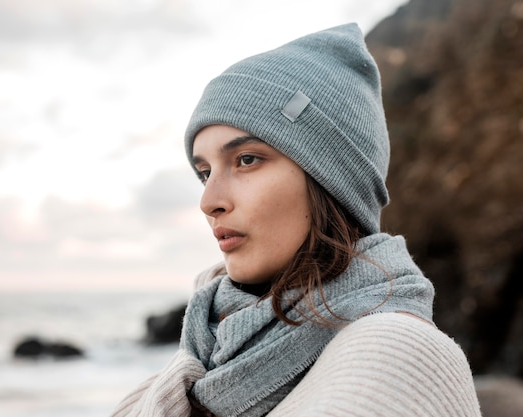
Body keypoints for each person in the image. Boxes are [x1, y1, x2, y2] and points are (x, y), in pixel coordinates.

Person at [111, 23, 482, 417]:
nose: (210, 201)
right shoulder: (204, 360)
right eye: (205, 172)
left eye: (247, 159)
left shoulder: (396, 353)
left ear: (330, 178)